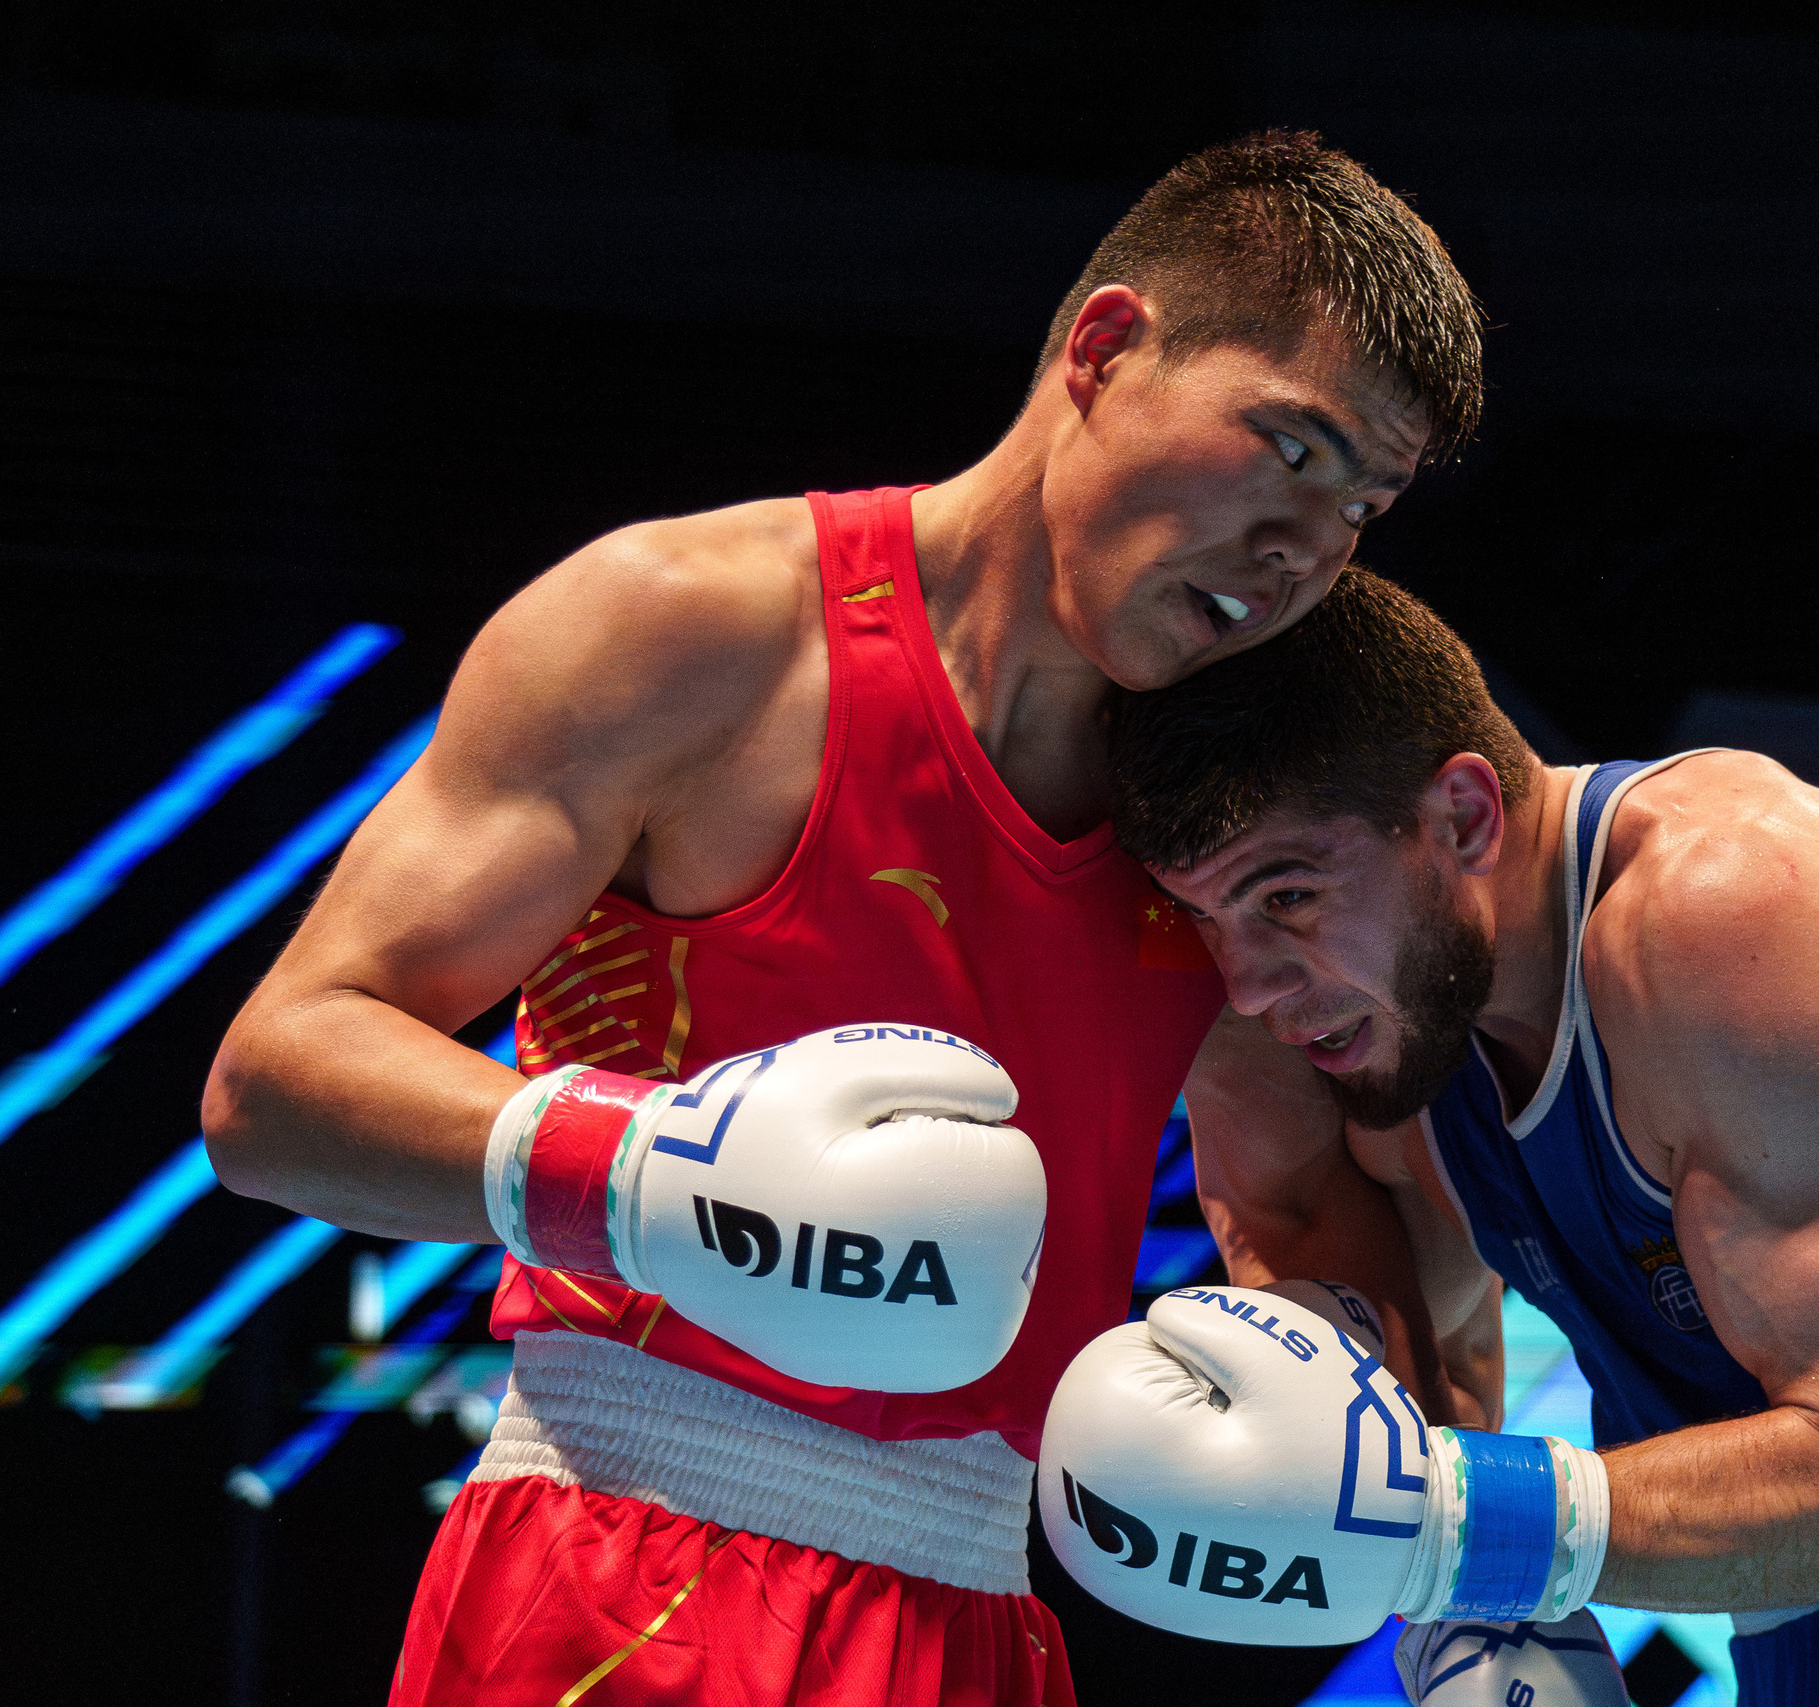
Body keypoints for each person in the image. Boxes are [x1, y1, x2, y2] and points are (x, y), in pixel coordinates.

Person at [200, 134, 1478, 1705]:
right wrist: (658, 1174)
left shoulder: (1212, 812)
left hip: (978, 1620)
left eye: (1363, 506)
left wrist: (1322, 1372)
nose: (1306, 553)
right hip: (611, 1569)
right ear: (1105, 350)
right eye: (1290, 448)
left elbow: (1293, 1207)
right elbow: (273, 1085)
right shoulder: (690, 631)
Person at [1043, 570, 1819, 1704]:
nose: (1254, 980)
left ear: (1466, 818)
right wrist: (1464, 1624)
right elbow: (1379, 1333)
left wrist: (1447, 1533)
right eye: (1211, 918)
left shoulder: (1730, 906)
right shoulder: (1387, 1015)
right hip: (1799, 1640)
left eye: (1289, 896)